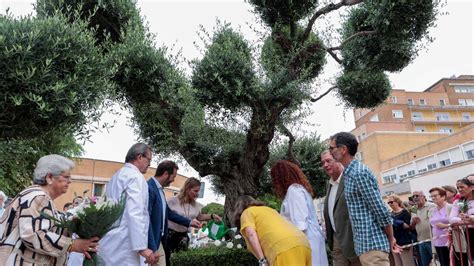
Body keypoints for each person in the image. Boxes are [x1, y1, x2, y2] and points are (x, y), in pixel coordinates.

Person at [0, 154, 99, 265]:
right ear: (49, 178)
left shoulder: (34, 195)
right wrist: (72, 245)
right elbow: (33, 235)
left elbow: (47, 226)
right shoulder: (39, 197)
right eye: (66, 177)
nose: (70, 181)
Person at [329, 132, 400, 265]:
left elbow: (380, 210)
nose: (330, 152)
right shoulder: (349, 173)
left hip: (373, 245)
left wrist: (391, 238)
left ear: (343, 149)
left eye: (332, 148)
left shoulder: (359, 173)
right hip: (364, 247)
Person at [98, 143, 158, 266]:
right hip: (126, 244)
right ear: (140, 157)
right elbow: (135, 212)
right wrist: (141, 247)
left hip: (111, 239)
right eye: (149, 159)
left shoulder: (116, 176)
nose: (150, 164)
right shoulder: (136, 177)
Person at [270, 160, 329, 266]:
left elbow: (300, 223)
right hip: (311, 239)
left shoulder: (294, 191)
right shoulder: (298, 189)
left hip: (307, 241)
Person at [148, 160, 201, 266]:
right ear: (166, 174)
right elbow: (146, 219)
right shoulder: (149, 188)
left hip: (160, 242)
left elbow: (169, 214)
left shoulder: (160, 191)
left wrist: (189, 222)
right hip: (153, 243)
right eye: (173, 176)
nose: (173, 180)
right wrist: (151, 246)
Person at [233, 195, 311, 266]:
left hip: (282, 247)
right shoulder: (270, 210)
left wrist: (262, 261)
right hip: (303, 242)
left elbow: (250, 233)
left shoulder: (247, 212)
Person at [321, 151, 360, 266]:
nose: (325, 165)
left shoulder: (350, 179)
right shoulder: (329, 185)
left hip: (354, 240)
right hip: (336, 240)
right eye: (323, 162)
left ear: (337, 160)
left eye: (328, 161)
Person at [167, 177, 221, 253]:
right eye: (195, 191)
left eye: (198, 191)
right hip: (170, 237)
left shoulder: (194, 204)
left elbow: (200, 217)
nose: (197, 194)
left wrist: (212, 216)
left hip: (184, 238)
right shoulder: (171, 201)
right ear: (187, 189)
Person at [449, 177, 473, 264]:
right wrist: (467, 219)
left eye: (462, 187)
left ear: (471, 187)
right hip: (469, 233)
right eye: (458, 187)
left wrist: (469, 218)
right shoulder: (458, 202)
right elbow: (451, 219)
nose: (459, 189)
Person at [409, 191, 435, 266]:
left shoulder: (431, 206)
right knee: (425, 263)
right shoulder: (413, 209)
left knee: (436, 262)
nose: (415, 198)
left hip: (432, 239)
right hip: (421, 241)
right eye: (413, 196)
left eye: (417, 196)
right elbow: (411, 227)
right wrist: (413, 222)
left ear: (424, 196)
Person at [387, 194, 414, 266]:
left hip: (404, 240)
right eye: (388, 203)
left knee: (407, 263)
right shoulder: (390, 214)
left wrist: (394, 221)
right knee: (398, 263)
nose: (390, 204)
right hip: (395, 241)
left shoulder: (404, 212)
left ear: (397, 202)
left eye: (391, 202)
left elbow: (407, 226)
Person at [428, 187, 451, 266]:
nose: (433, 198)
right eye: (432, 196)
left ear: (443, 196)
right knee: (443, 263)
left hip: (450, 242)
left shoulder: (450, 207)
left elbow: (459, 224)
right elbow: (431, 226)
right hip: (437, 242)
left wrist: (446, 225)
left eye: (435, 196)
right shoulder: (431, 210)